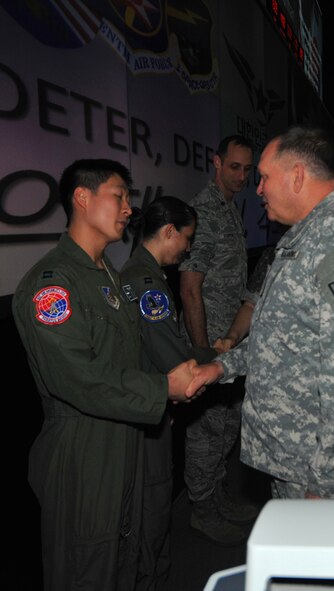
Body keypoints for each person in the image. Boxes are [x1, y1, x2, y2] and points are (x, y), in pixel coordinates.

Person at [12, 159, 200, 591]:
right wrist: (160, 388)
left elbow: (130, 357)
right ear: (82, 197)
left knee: (127, 560)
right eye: (119, 196)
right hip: (84, 451)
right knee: (88, 567)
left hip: (124, 439)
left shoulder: (108, 277)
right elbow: (78, 377)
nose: (129, 209)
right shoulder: (53, 284)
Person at [186, 126, 334, 500]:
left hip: (328, 477)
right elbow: (282, 337)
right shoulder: (307, 238)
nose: (258, 188)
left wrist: (326, 483)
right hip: (299, 462)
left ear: (297, 175)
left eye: (264, 177)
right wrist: (220, 367)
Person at [120, 196, 216, 589]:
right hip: (148, 417)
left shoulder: (146, 276)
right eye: (186, 238)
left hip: (149, 410)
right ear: (169, 231)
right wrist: (217, 362)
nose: (188, 248)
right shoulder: (146, 283)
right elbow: (172, 359)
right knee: (153, 512)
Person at [179, 134, 259, 546]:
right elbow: (191, 287)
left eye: (247, 169)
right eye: (234, 167)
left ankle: (219, 495)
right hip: (210, 343)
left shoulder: (228, 208)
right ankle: (202, 509)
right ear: (216, 162)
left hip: (230, 343)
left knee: (227, 424)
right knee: (207, 430)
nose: (242, 176)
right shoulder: (206, 210)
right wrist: (200, 350)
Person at [213, 245, 276, 354]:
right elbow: (251, 305)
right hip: (267, 354)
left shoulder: (313, 255)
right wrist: (232, 338)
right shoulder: (274, 254)